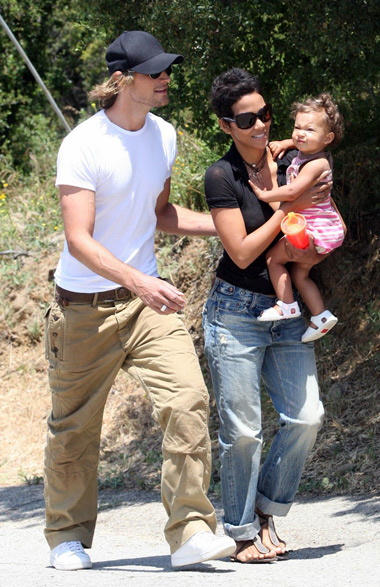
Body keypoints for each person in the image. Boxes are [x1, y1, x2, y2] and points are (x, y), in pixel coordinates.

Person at [43, 30, 235, 571]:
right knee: (74, 426)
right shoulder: (84, 143)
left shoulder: (164, 135)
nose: (165, 79)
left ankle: (192, 530)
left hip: (146, 306)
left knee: (188, 401)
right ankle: (66, 535)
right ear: (123, 81)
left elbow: (161, 214)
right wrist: (140, 282)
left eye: (166, 70)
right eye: (154, 73)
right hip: (83, 309)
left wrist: (235, 228)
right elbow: (79, 238)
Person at [202, 68, 326, 563]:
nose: (259, 125)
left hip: (287, 311)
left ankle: (267, 509)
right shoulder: (220, 176)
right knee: (244, 431)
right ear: (225, 125)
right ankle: (241, 531)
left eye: (264, 114)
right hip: (235, 313)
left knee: (307, 417)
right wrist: (287, 205)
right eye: (246, 118)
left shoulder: (286, 157)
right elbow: (243, 252)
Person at [250, 93, 346, 343]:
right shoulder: (314, 154)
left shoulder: (317, 165)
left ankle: (287, 305)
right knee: (300, 275)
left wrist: (264, 194)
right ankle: (321, 315)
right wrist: (286, 142)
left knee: (273, 259)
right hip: (324, 229)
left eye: (308, 129)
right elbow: (302, 143)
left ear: (327, 138)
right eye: (297, 127)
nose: (300, 134)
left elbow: (293, 191)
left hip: (314, 229)